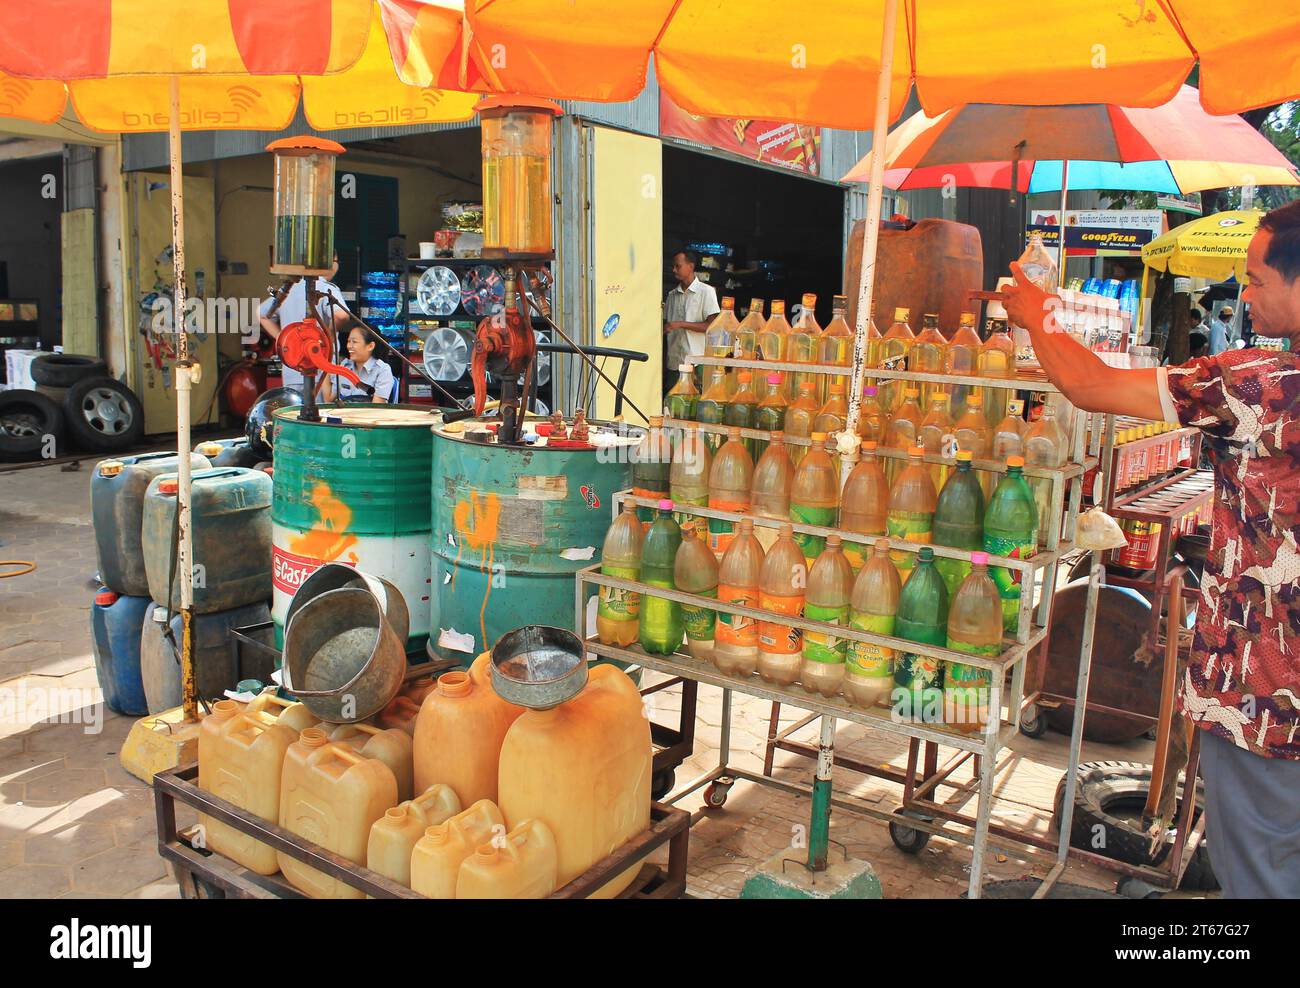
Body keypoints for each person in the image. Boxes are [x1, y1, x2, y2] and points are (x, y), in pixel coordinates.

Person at [1003, 198, 1300, 898]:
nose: (1246, 295)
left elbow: (1090, 383)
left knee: (1257, 874)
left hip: (1264, 693)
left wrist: (1038, 314)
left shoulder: (1264, 386)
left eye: (1257, 280)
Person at [258, 253, 352, 397]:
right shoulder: (326, 288)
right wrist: (330, 334)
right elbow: (342, 315)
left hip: (292, 369)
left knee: (295, 414)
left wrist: (284, 340)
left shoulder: (288, 289)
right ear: (329, 262)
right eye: (336, 261)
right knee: (319, 416)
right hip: (321, 370)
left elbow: (261, 314)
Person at [663, 248, 719, 393]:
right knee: (672, 405)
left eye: (678, 266)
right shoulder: (671, 295)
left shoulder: (706, 292)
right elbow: (665, 325)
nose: (674, 270)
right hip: (674, 363)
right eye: (673, 267)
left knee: (694, 405)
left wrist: (681, 324)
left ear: (691, 266)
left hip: (697, 363)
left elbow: (711, 326)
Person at [322, 325, 394, 403]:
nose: (349, 346)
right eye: (348, 341)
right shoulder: (345, 366)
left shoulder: (382, 370)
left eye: (354, 342)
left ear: (370, 346)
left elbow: (376, 408)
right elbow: (328, 399)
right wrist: (325, 365)